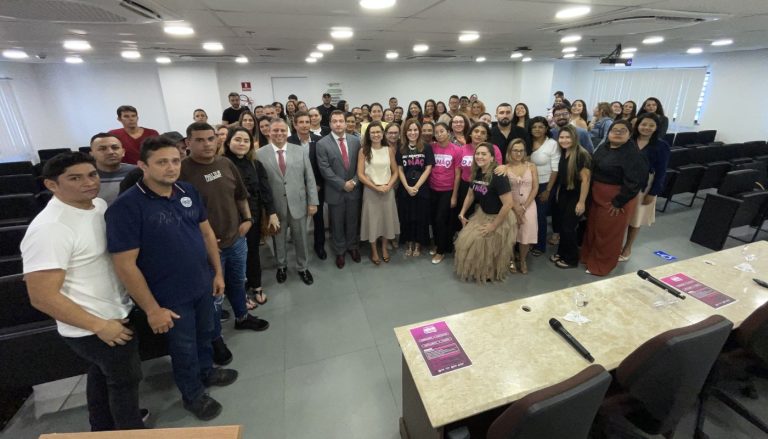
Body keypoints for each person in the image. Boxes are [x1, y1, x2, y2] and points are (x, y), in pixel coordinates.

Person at [106, 137, 237, 421]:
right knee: (183, 348)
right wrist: (152, 309)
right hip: (168, 294)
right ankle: (193, 395)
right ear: (143, 166)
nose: (171, 167)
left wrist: (217, 273)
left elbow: (206, 233)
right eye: (162, 162)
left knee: (206, 333)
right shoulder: (126, 207)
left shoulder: (186, 190)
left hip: (201, 282)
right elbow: (125, 265)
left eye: (176, 160)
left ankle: (207, 372)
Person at [21, 152, 145, 431]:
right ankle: (130, 430)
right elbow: (42, 296)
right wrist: (100, 326)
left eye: (92, 174)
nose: (89, 183)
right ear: (51, 185)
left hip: (115, 312)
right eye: (75, 178)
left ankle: (102, 428)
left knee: (103, 376)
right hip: (94, 325)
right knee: (125, 383)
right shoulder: (50, 228)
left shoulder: (97, 205)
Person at [179, 122, 270, 367]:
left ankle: (242, 316)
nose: (207, 144)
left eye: (210, 138)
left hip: (236, 238)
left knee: (237, 282)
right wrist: (201, 241)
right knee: (214, 296)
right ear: (188, 143)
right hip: (207, 248)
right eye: (199, 140)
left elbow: (240, 195)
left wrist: (248, 219)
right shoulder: (182, 171)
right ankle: (215, 337)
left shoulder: (225, 164)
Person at [255, 118, 319, 285]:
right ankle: (281, 266)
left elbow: (310, 178)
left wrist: (313, 202)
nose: (279, 133)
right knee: (278, 240)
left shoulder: (299, 151)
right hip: (275, 207)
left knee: (301, 239)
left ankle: (303, 267)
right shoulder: (259, 154)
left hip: (299, 204)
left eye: (282, 130)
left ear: (288, 131)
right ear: (269, 132)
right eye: (275, 130)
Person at [581, 120, 648, 276]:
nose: (617, 133)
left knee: (608, 234)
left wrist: (618, 202)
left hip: (616, 200)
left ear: (630, 134)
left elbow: (634, 182)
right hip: (597, 195)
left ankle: (601, 265)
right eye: (614, 130)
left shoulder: (633, 155)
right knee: (593, 229)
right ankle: (588, 257)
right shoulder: (603, 148)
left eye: (622, 130)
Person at [223, 127, 279, 308]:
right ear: (228, 142)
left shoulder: (255, 164)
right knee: (234, 258)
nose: (242, 144)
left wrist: (271, 212)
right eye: (237, 139)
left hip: (253, 217)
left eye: (246, 141)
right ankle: (239, 293)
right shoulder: (221, 164)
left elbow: (265, 190)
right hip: (230, 221)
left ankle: (256, 285)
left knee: (252, 253)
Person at [455, 143, 517, 283]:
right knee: (465, 240)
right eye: (477, 153)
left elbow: (508, 204)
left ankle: (489, 271)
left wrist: (493, 226)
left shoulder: (498, 175)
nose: (480, 156)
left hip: (499, 218)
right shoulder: (477, 172)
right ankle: (480, 269)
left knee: (485, 244)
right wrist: (462, 213)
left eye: (484, 154)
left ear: (492, 157)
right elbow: (470, 194)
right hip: (482, 214)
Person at [620, 113, 670, 261]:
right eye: (643, 124)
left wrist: (653, 192)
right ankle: (615, 245)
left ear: (656, 128)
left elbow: (661, 171)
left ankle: (627, 248)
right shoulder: (629, 141)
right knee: (621, 216)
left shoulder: (662, 146)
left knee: (636, 218)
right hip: (624, 182)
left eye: (651, 125)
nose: (646, 128)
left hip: (645, 185)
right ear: (637, 125)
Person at [317, 110, 362, 269]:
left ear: (346, 123)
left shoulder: (355, 141)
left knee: (352, 220)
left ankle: (352, 247)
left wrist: (354, 182)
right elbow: (325, 169)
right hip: (335, 191)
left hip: (354, 189)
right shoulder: (322, 144)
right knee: (336, 223)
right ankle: (340, 251)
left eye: (341, 121)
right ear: (329, 124)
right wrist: (343, 184)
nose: (338, 124)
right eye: (334, 121)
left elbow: (361, 166)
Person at [357, 121, 400, 264]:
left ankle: (384, 248)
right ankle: (374, 250)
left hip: (387, 191)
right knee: (373, 221)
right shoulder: (363, 151)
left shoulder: (389, 150)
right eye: (373, 132)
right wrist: (376, 187)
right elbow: (360, 174)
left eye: (378, 132)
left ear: (383, 134)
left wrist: (388, 185)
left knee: (386, 220)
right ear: (368, 135)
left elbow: (395, 171)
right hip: (371, 191)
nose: (376, 135)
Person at [550, 126, 592, 269]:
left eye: (568, 137)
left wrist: (581, 202)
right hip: (564, 193)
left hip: (576, 195)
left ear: (574, 138)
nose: (564, 140)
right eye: (562, 137)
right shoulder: (563, 152)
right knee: (562, 226)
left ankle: (572, 259)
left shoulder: (582, 155)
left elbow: (586, 180)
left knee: (569, 228)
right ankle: (562, 253)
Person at [287, 111, 326, 259]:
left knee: (319, 219)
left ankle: (319, 246)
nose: (304, 125)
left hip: (317, 188)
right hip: (296, 189)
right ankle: (300, 250)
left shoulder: (319, 140)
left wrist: (318, 185)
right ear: (295, 125)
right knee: (298, 221)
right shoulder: (288, 142)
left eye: (307, 122)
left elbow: (323, 165)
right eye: (301, 122)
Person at [397, 119, 434, 257]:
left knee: (420, 217)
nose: (412, 133)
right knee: (407, 217)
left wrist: (416, 186)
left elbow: (428, 168)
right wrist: (407, 187)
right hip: (405, 188)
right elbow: (400, 170)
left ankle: (418, 244)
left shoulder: (426, 147)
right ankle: (409, 243)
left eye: (415, 130)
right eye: (409, 130)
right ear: (405, 132)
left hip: (422, 188)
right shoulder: (401, 148)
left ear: (419, 131)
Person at [456, 122, 503, 225]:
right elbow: (458, 172)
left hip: (487, 186)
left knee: (484, 218)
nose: (479, 134)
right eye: (476, 131)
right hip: (466, 186)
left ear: (487, 136)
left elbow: (499, 168)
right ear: (470, 134)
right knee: (466, 217)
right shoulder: (462, 149)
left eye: (483, 132)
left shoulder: (494, 149)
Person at [428, 122, 461, 264]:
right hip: (432, 189)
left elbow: (458, 175)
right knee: (434, 220)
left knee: (440, 220)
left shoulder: (456, 150)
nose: (439, 134)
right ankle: (438, 244)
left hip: (447, 190)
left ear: (448, 132)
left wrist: (454, 196)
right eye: (436, 132)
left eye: (442, 131)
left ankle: (441, 251)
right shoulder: (431, 147)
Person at [527, 116, 560, 256]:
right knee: (529, 215)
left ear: (546, 128)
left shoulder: (552, 144)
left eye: (540, 127)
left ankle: (540, 245)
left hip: (545, 185)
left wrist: (548, 190)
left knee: (540, 215)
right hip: (528, 184)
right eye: (534, 127)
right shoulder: (527, 142)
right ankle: (528, 240)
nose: (537, 129)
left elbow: (555, 169)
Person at [505, 139, 538, 274]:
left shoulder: (531, 166)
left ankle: (523, 260)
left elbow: (535, 188)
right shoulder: (505, 168)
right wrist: (515, 207)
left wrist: (524, 207)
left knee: (526, 234)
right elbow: (504, 191)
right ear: (510, 151)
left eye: (521, 151)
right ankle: (511, 259)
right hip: (510, 205)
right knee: (511, 235)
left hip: (528, 205)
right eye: (515, 150)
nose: (518, 153)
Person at [89, 133, 136, 205]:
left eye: (115, 148)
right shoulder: (86, 175)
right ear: (92, 154)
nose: (110, 152)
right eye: (102, 149)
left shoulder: (138, 172)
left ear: (123, 152)